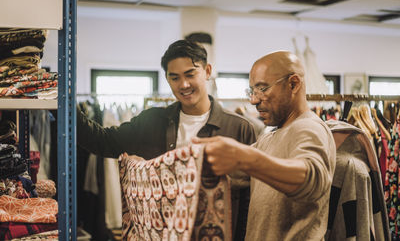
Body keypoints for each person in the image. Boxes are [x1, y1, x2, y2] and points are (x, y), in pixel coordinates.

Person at [77, 39, 256, 240]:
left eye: (190, 74)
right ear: (167, 79)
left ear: (207, 71)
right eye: (175, 78)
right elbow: (103, 141)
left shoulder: (239, 128)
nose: (184, 85)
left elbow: (249, 199)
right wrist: (63, 101)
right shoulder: (151, 121)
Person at [193, 51, 336, 241]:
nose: (254, 100)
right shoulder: (269, 138)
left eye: (262, 89)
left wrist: (243, 158)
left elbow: (311, 179)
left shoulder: (309, 127)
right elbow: (223, 172)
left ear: (293, 84)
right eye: (252, 91)